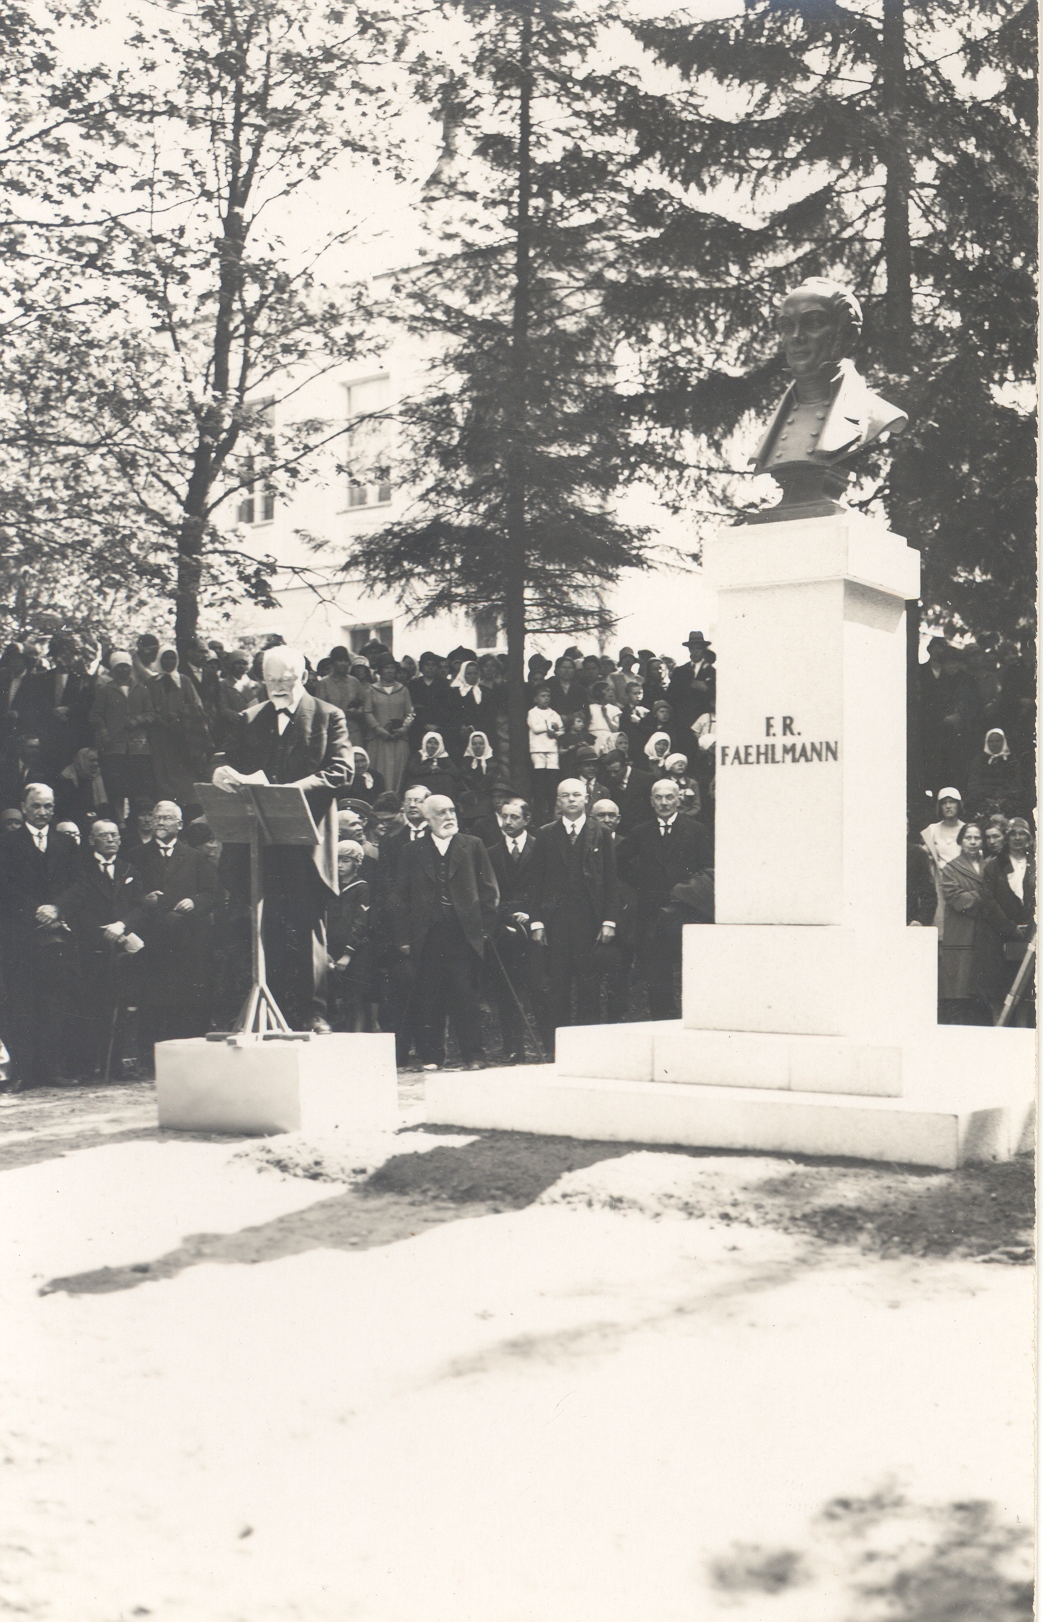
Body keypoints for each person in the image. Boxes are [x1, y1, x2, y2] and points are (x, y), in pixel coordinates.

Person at [214, 646, 353, 1031]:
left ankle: (314, 1012)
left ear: (303, 677)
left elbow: (341, 770)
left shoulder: (329, 716)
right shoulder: (249, 718)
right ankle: (270, 1010)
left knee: (308, 923)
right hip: (263, 840)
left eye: (285, 680)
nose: (277, 687)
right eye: (270, 680)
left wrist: (291, 791)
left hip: (307, 840)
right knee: (266, 922)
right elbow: (223, 757)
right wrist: (220, 771)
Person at [391, 794, 499, 1071]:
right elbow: (400, 897)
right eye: (441, 812)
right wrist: (403, 938)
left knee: (465, 995)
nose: (449, 816)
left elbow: (489, 892)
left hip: (463, 935)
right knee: (429, 997)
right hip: (425, 936)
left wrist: (483, 932)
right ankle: (431, 1056)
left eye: (452, 810)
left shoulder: (472, 845)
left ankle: (473, 1055)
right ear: (427, 819)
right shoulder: (412, 851)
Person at [528, 777, 618, 1053]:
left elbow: (611, 880)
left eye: (576, 795)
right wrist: (537, 921)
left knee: (589, 986)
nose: (570, 800)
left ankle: (587, 1050)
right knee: (558, 987)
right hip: (555, 923)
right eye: (564, 795)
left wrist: (609, 920)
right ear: (558, 801)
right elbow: (536, 881)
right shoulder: (545, 834)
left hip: (589, 922)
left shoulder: (600, 833)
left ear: (586, 799)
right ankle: (558, 1050)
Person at [0, 784, 80, 1086]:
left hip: (57, 934)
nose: (43, 812)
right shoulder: (7, 843)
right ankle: (24, 1073)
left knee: (54, 1003)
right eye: (36, 806)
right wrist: (37, 910)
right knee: (22, 1004)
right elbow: (4, 887)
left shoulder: (65, 843)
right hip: (20, 935)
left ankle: (53, 1071)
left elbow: (79, 884)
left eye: (48, 806)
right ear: (24, 807)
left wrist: (57, 909)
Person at [128, 800, 218, 1065]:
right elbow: (126, 895)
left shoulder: (195, 857)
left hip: (186, 941)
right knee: (152, 999)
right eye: (157, 818)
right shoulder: (136, 855)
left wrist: (194, 902)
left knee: (186, 999)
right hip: (151, 939)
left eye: (167, 818)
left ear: (179, 825)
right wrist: (144, 900)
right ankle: (149, 1059)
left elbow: (212, 893)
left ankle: (186, 1058)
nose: (160, 823)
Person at [55, 819, 144, 1077]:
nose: (110, 840)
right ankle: (85, 1066)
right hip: (90, 947)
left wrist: (122, 924)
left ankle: (115, 1065)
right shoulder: (81, 869)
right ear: (92, 840)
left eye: (114, 835)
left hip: (122, 944)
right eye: (103, 835)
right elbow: (76, 907)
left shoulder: (129, 869)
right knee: (89, 1007)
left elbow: (140, 905)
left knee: (120, 1003)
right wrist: (101, 931)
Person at [619, 779, 714, 1019]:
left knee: (691, 968)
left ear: (679, 799)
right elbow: (618, 862)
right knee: (657, 973)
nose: (664, 803)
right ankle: (663, 1020)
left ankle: (696, 1018)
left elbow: (708, 867)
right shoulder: (641, 831)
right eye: (658, 798)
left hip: (687, 910)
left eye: (669, 797)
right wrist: (642, 881)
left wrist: (688, 890)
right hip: (653, 914)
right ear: (651, 802)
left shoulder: (696, 829)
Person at [485, 797, 546, 1062]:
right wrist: (508, 915)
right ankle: (514, 1049)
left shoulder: (542, 848)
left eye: (514, 817)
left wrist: (532, 915)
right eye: (504, 816)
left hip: (536, 930)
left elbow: (549, 889)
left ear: (527, 820)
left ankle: (549, 1046)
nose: (507, 822)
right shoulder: (490, 853)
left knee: (539, 988)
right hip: (505, 931)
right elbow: (488, 894)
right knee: (507, 991)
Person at [938, 822, 1017, 1024]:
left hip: (986, 934)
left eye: (977, 838)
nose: (973, 842)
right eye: (968, 838)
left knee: (984, 990)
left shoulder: (990, 866)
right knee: (960, 989)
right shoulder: (950, 869)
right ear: (961, 841)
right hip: (962, 932)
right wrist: (985, 898)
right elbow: (956, 898)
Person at [143, 646, 213, 812]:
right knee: (163, 771)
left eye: (172, 658)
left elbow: (197, 706)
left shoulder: (184, 681)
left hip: (182, 736)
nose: (169, 662)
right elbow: (146, 707)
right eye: (165, 658)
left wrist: (181, 716)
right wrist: (159, 720)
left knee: (184, 774)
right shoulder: (151, 683)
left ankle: (187, 808)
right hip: (160, 736)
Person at [982, 817, 1035, 1025]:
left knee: (1024, 993)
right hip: (1000, 938)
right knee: (1000, 994)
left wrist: (1030, 928)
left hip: (1030, 939)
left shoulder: (1036, 864)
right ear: (1007, 837)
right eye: (1013, 833)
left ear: (1029, 838)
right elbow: (989, 903)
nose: (1018, 838)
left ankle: (1022, 1034)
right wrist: (1011, 928)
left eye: (1023, 833)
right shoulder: (993, 867)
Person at [325, 840, 373, 1032]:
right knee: (332, 997)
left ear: (356, 863)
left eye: (345, 861)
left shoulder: (361, 888)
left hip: (356, 952)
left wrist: (348, 954)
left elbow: (361, 923)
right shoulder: (329, 887)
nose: (339, 865)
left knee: (356, 998)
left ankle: (358, 1039)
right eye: (336, 860)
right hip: (331, 951)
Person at [90, 651, 136, 817]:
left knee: (133, 785)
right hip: (113, 745)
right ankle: (118, 820)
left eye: (126, 667)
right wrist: (104, 733)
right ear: (113, 670)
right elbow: (95, 715)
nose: (123, 671)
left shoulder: (138, 688)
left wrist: (138, 720)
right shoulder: (106, 689)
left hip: (134, 746)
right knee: (116, 786)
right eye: (119, 667)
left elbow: (150, 712)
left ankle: (131, 819)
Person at [363, 657, 414, 795]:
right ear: (380, 670)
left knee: (399, 770)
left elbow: (410, 713)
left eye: (392, 668)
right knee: (379, 770)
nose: (390, 671)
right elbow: (367, 712)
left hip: (399, 739)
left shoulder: (403, 690)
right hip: (379, 740)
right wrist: (378, 729)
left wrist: (404, 728)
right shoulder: (371, 690)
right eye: (386, 668)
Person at [920, 787, 966, 929]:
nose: (948, 806)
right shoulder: (932, 830)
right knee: (942, 924)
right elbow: (924, 856)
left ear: (958, 804)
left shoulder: (967, 829)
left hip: (962, 883)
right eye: (944, 803)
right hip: (940, 883)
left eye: (952, 802)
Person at [966, 728, 1026, 822]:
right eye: (991, 741)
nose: (994, 744)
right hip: (984, 802)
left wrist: (1002, 800)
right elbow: (974, 785)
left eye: (998, 741)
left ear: (1003, 741)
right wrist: (988, 799)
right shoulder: (979, 761)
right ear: (987, 743)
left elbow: (1016, 785)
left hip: (1008, 803)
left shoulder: (1012, 761)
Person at [316, 647, 367, 748]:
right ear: (333, 663)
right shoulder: (324, 683)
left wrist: (357, 712)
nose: (343, 664)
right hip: (333, 732)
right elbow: (320, 710)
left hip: (354, 732)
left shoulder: (355, 682)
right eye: (340, 660)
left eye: (346, 661)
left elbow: (364, 706)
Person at [666, 632, 716, 730]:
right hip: (682, 722)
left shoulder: (712, 672)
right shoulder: (680, 671)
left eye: (698, 648)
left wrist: (707, 689)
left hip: (703, 723)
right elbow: (671, 695)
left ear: (703, 650)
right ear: (689, 649)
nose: (695, 652)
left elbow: (720, 696)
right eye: (693, 648)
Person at [55, 747, 111, 834]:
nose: (96, 764)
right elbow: (64, 807)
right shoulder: (67, 778)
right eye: (92, 760)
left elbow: (103, 806)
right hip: (74, 822)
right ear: (82, 760)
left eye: (97, 760)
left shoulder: (97, 776)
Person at [527, 686, 563, 821]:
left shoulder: (554, 713)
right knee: (539, 779)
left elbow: (561, 729)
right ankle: (540, 811)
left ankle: (552, 810)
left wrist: (556, 733)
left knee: (552, 779)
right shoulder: (532, 712)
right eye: (543, 696)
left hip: (552, 748)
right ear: (536, 699)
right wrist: (549, 726)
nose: (546, 698)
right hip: (538, 748)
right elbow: (535, 728)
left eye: (548, 696)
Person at [403, 730, 463, 800]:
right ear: (425, 743)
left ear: (440, 745)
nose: (432, 746)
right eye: (430, 742)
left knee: (448, 780)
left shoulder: (443, 757)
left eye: (436, 743)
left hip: (438, 789)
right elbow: (412, 770)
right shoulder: (419, 755)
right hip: (421, 787)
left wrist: (437, 771)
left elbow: (455, 772)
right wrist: (430, 768)